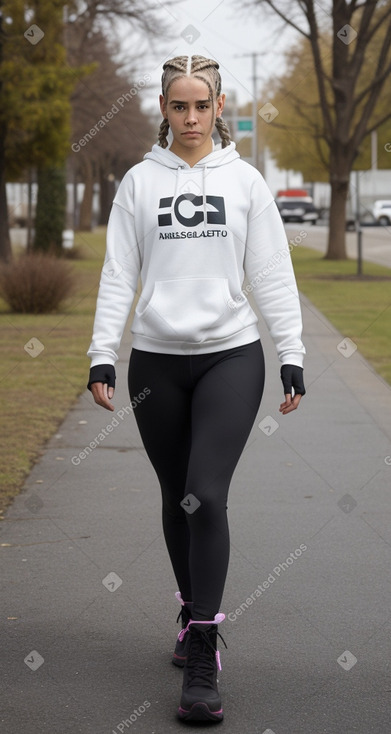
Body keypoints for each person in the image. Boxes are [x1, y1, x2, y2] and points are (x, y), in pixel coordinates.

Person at [87, 54, 306, 724]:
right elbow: (119, 273)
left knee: (204, 494)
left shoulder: (243, 182)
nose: (190, 118)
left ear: (219, 107)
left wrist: (291, 352)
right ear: (162, 107)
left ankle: (204, 650)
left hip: (229, 358)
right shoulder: (138, 183)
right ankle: (191, 612)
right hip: (155, 362)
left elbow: (270, 271)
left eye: (201, 105)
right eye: (177, 106)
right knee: (173, 494)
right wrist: (102, 355)